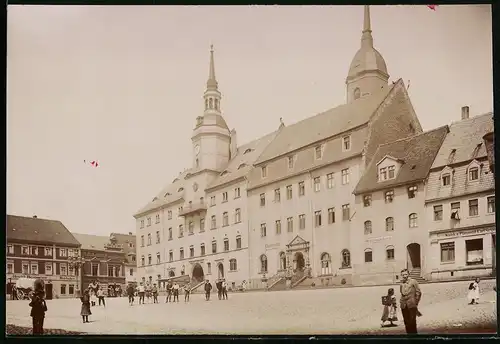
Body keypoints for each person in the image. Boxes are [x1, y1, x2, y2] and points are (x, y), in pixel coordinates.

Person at [399, 269, 422, 334]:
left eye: (406, 274)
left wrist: (416, 302)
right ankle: (409, 337)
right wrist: (401, 301)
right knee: (406, 322)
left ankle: (414, 338)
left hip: (412, 304)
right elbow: (402, 293)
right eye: (403, 275)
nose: (404, 276)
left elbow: (418, 292)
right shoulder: (401, 283)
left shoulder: (413, 281)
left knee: (412, 322)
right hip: (403, 305)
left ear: (408, 274)